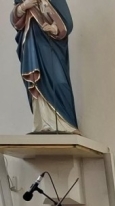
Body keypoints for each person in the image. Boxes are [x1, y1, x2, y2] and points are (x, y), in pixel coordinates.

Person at [11, 0, 78, 134]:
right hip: (32, 44)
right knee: (36, 82)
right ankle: (42, 124)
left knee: (59, 81)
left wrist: (54, 28)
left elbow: (68, 23)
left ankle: (65, 124)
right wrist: (24, 6)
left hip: (51, 45)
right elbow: (15, 20)